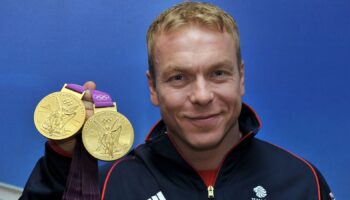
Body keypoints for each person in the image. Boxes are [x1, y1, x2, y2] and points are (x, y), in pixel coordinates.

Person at [20, 2, 334, 200]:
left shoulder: (303, 181)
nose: (201, 95)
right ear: (153, 88)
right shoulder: (110, 187)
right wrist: (61, 162)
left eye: (218, 73)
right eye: (178, 77)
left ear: (242, 78)